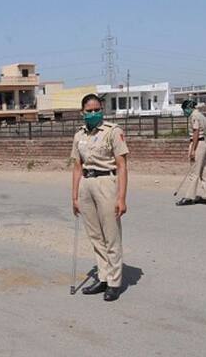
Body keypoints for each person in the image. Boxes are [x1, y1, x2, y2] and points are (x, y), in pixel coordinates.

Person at [70, 94, 129, 302]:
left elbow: (122, 165)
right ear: (82, 113)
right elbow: (77, 167)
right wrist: (74, 196)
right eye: (89, 111)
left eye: (97, 110)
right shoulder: (79, 136)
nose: (93, 113)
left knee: (111, 235)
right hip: (86, 184)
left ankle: (114, 282)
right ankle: (103, 277)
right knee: (95, 235)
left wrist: (121, 197)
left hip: (107, 183)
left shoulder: (113, 132)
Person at [176, 100, 206, 206]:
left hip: (197, 143)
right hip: (204, 143)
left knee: (193, 172)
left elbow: (196, 132)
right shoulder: (201, 115)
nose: (184, 112)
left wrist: (193, 150)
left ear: (189, 108)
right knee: (203, 171)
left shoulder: (194, 116)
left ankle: (189, 197)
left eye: (184, 110)